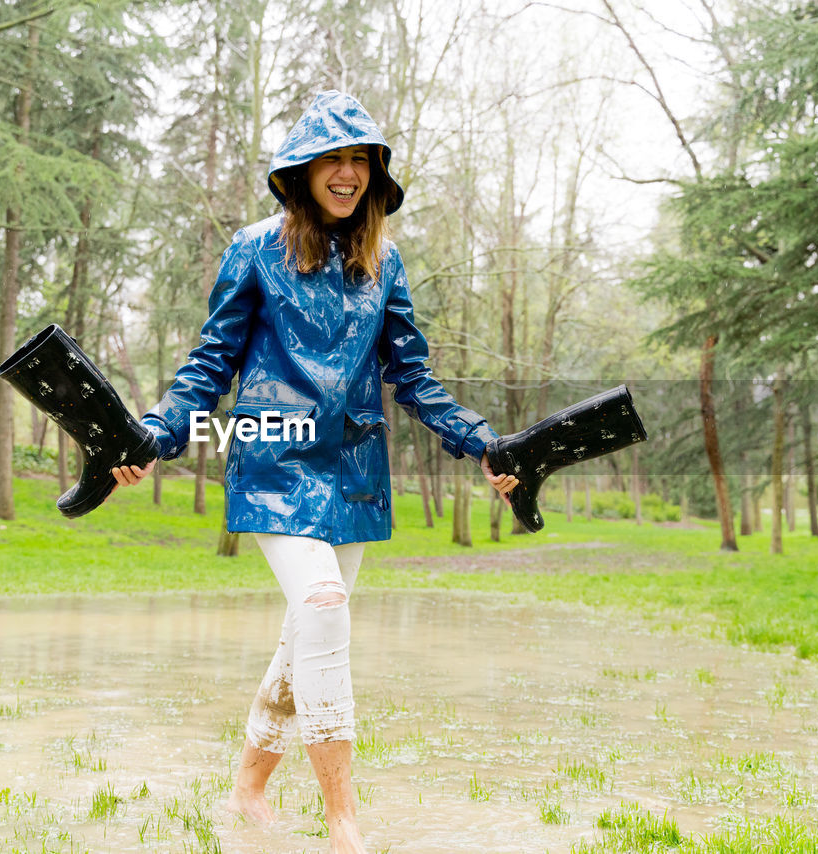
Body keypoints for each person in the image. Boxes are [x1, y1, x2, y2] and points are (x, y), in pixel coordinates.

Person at [110, 90, 518, 854]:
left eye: (360, 159)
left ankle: (247, 788)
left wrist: (481, 441)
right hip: (273, 460)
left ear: (375, 174)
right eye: (333, 158)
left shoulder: (385, 261)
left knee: (307, 638)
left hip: (355, 472)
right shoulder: (255, 247)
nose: (347, 173)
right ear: (300, 172)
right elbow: (212, 361)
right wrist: (161, 431)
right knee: (326, 606)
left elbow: (415, 376)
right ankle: (344, 823)